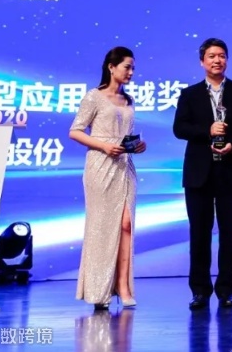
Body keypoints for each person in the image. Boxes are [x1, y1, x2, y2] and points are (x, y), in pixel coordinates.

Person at [173, 38, 232, 310]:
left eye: (222, 55)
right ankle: (200, 291)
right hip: (199, 172)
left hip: (231, 169)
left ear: (227, 60)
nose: (217, 60)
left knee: (230, 234)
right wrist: (207, 131)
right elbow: (179, 128)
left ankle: (226, 290)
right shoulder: (189, 94)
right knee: (199, 234)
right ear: (202, 61)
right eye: (211, 56)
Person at [70, 46, 147, 310]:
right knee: (101, 227)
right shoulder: (94, 97)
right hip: (100, 166)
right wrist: (103, 146)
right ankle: (98, 290)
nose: (131, 72)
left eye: (133, 68)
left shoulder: (128, 100)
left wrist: (137, 145)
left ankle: (123, 287)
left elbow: (126, 134)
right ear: (111, 67)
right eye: (127, 67)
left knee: (126, 224)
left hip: (125, 166)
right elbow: (75, 131)